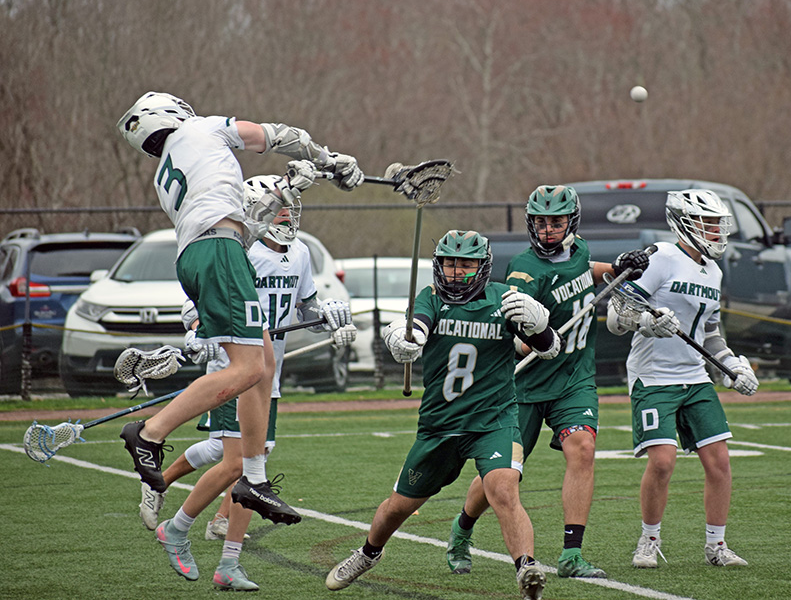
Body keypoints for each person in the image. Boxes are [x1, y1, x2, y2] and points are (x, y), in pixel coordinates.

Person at [116, 92, 363, 528]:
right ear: (171, 113)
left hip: (203, 254)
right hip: (218, 254)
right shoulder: (200, 129)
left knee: (263, 364)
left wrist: (289, 188)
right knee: (249, 369)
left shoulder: (168, 172)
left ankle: (253, 478)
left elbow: (238, 226)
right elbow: (278, 135)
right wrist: (329, 160)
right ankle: (149, 432)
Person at [138, 175, 356, 589]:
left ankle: (226, 560)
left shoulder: (302, 252)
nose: (286, 214)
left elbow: (304, 304)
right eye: (279, 207)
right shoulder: (241, 249)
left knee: (254, 469)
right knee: (239, 463)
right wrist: (198, 327)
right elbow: (198, 298)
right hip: (233, 365)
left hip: (267, 373)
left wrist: (328, 314)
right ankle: (180, 528)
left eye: (291, 207)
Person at [325, 230, 561, 600]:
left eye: (465, 264)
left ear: (482, 267)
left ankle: (527, 569)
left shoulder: (505, 300)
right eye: (450, 262)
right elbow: (414, 330)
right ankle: (368, 553)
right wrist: (400, 340)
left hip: (493, 419)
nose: (455, 271)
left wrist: (541, 326)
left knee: (503, 488)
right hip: (440, 425)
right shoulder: (430, 298)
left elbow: (548, 350)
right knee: (397, 508)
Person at [445, 185, 650, 579]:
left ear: (570, 222)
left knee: (582, 448)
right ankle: (462, 529)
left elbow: (584, 271)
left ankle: (572, 554)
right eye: (541, 221)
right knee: (503, 476)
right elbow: (516, 334)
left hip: (574, 379)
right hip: (523, 387)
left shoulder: (581, 250)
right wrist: (535, 341)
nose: (548, 229)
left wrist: (618, 268)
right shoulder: (524, 270)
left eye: (555, 221)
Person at [606, 188, 759, 569]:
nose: (715, 233)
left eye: (716, 225)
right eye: (708, 224)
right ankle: (648, 540)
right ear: (685, 223)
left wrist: (731, 366)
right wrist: (645, 322)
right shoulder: (662, 257)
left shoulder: (714, 271)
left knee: (720, 461)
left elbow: (710, 333)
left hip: (694, 377)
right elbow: (615, 315)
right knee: (662, 462)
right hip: (653, 377)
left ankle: (716, 546)